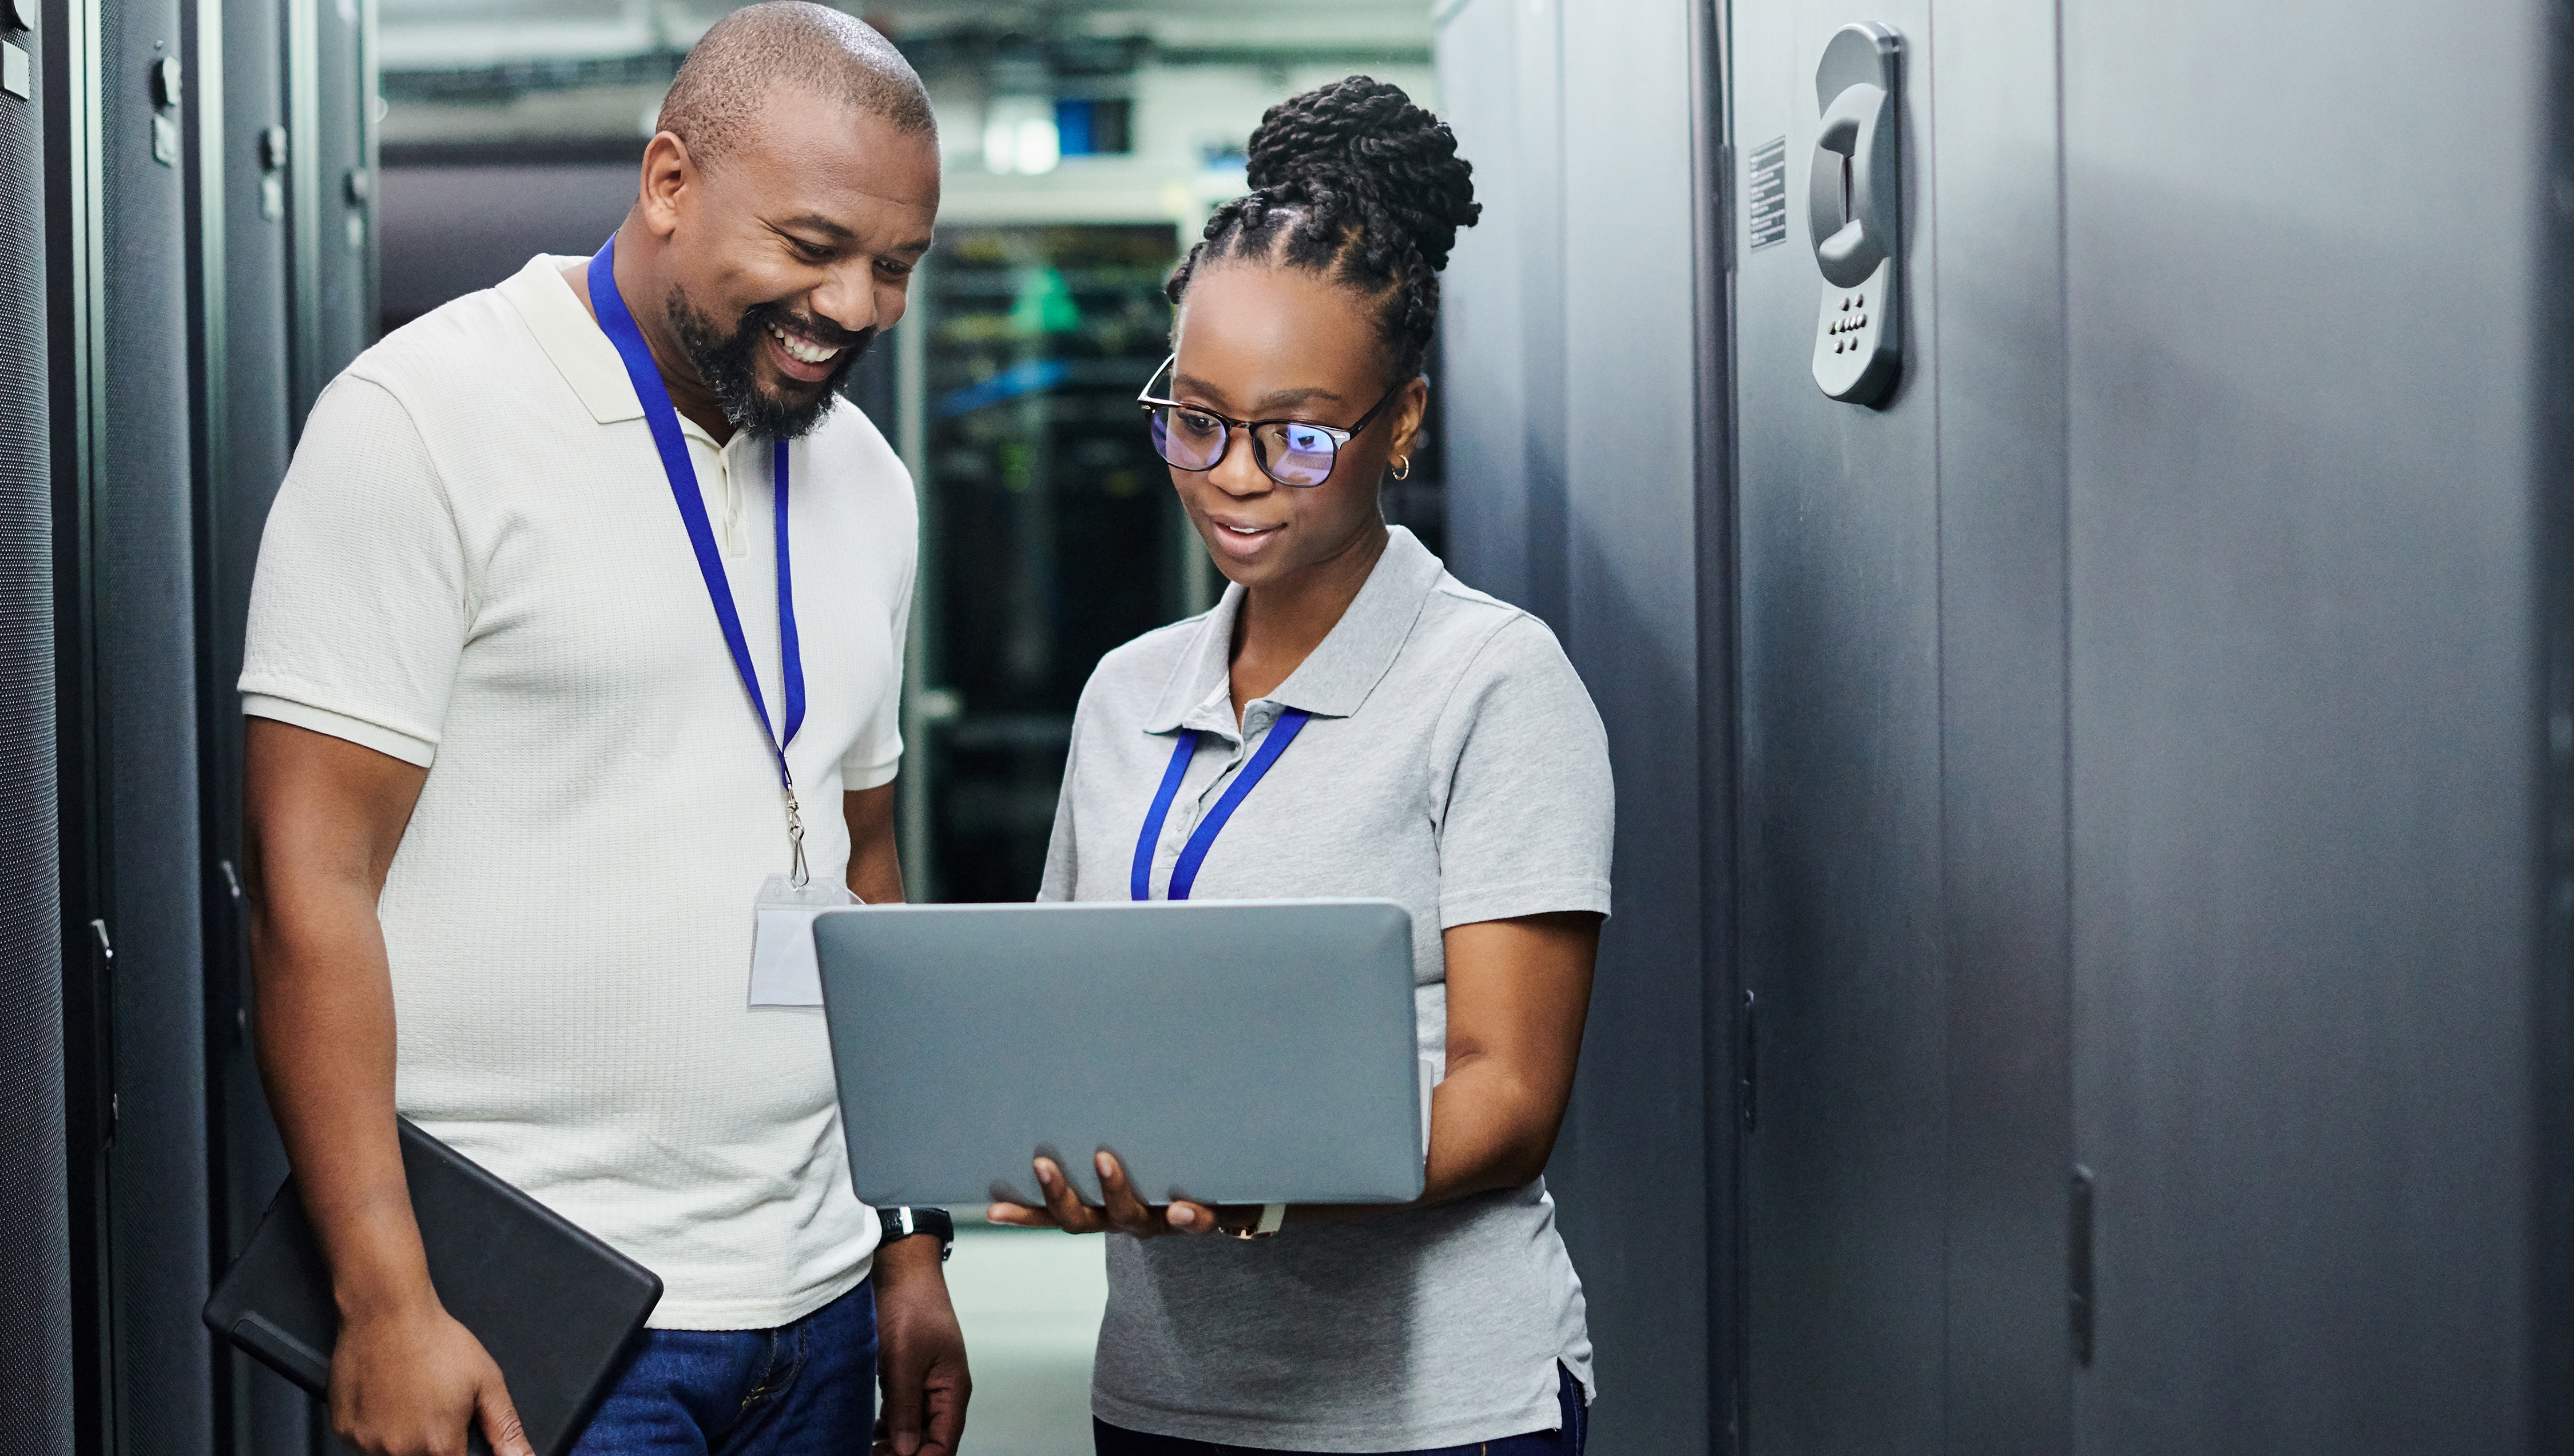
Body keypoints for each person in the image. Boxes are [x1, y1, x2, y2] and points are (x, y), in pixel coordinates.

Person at [234, 7, 968, 1456]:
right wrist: (385, 1299)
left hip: (814, 1301)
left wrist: (906, 1236)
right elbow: (305, 889)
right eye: (814, 246)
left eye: (896, 265)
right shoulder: (422, 420)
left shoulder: (866, 483)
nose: (860, 305)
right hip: (536, 1316)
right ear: (669, 182)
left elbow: (862, 865)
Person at [994, 77, 1610, 1456]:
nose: (1234, 475)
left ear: (1402, 423)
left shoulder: (1495, 686)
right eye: (1195, 418)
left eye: (1300, 432)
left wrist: (1258, 1185)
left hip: (1435, 1407)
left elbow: (1508, 1100)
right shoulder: (1124, 696)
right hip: (1165, 1391)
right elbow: (1059, 1013)